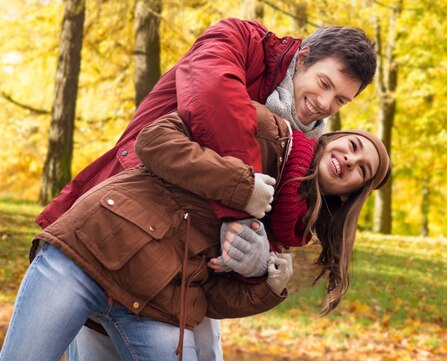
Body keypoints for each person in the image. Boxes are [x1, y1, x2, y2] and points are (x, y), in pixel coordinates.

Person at [37, 17, 376, 360]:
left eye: (341, 100)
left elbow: (264, 215)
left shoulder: (304, 148)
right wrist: (240, 203)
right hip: (121, 221)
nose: (325, 103)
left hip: (182, 266)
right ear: (302, 58)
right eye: (323, 83)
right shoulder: (241, 41)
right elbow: (212, 99)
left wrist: (260, 262)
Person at [0, 105, 391, 361]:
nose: (350, 159)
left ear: (350, 194)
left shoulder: (289, 232)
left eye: (361, 169)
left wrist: (264, 287)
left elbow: (210, 296)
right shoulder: (269, 131)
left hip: (154, 305)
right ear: (331, 138)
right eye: (353, 145)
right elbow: (154, 138)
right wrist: (240, 187)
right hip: (87, 254)